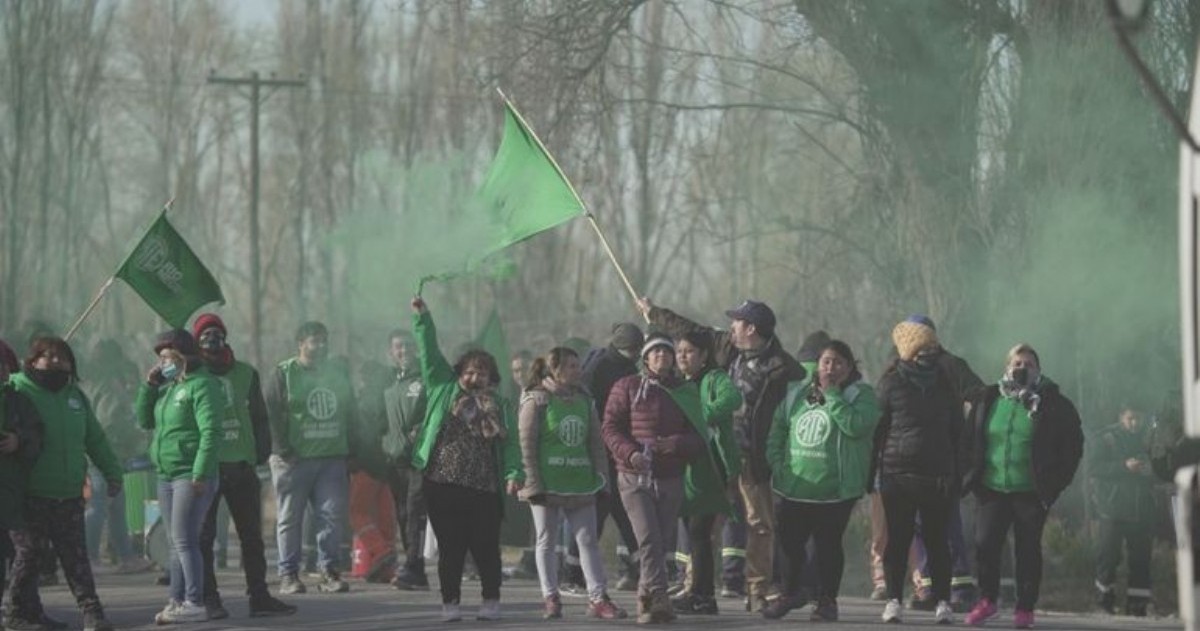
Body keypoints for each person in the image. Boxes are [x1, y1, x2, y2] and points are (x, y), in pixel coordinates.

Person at [638, 298, 805, 612]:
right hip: (717, 455)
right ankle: (695, 589)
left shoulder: (782, 368)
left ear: (752, 328)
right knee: (702, 524)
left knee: (758, 524)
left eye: (737, 322)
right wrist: (654, 313)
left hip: (754, 458)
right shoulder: (726, 348)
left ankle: (756, 591)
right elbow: (691, 330)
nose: (731, 326)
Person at [409, 297, 521, 622]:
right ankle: (450, 604)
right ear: (460, 371)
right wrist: (422, 318)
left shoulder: (499, 405)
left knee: (485, 546)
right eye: (471, 371)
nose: (476, 377)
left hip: (484, 488)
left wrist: (514, 473)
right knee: (451, 548)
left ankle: (490, 600)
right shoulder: (443, 388)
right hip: (442, 485)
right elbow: (429, 351)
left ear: (492, 377)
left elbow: (510, 445)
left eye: (483, 372)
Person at [961, 344, 1084, 629]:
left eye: (1029, 363)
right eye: (1017, 362)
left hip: (1031, 492)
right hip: (991, 488)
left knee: (1027, 550)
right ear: (1007, 366)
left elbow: (1073, 447)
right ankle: (987, 600)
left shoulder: (1054, 403)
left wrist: (1054, 485)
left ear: (1038, 369)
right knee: (985, 544)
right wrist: (970, 475)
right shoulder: (988, 398)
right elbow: (968, 439)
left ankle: (1024, 608)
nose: (1022, 368)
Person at [759, 340, 878, 621]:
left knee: (827, 546)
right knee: (788, 543)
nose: (831, 367)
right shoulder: (797, 394)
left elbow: (856, 426)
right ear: (817, 365)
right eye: (826, 361)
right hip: (795, 486)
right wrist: (777, 464)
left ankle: (826, 601)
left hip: (835, 491)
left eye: (838, 362)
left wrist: (833, 395)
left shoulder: (860, 395)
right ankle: (790, 592)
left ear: (850, 368)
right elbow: (777, 430)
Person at [7, 336, 120, 631]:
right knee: (30, 556)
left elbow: (94, 438)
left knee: (76, 560)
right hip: (30, 493)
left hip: (69, 494)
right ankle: (17, 611)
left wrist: (112, 472)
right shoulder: (17, 389)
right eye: (49, 356)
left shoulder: (76, 397)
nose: (57, 361)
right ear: (32, 361)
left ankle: (92, 614)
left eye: (63, 357)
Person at [191, 314, 296, 618]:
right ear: (197, 341)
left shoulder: (246, 373)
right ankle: (209, 598)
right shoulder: (192, 374)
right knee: (204, 538)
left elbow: (260, 417)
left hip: (241, 467)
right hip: (206, 468)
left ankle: (259, 597)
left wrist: (260, 453)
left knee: (251, 538)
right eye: (205, 334)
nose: (212, 339)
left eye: (217, 333)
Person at [602, 332, 707, 624]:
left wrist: (676, 444)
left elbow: (699, 436)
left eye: (667, 352)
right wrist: (631, 453)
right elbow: (609, 428)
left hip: (670, 476)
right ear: (645, 357)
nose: (662, 356)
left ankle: (644, 601)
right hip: (633, 476)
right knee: (648, 539)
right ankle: (660, 598)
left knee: (660, 542)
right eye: (655, 352)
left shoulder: (685, 392)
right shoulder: (627, 386)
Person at [517, 346, 627, 620]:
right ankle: (551, 598)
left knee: (588, 540)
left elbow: (596, 445)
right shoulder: (537, 400)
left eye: (578, 366)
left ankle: (598, 599)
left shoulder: (585, 400)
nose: (578, 371)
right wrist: (532, 483)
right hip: (546, 484)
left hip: (581, 482)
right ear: (555, 370)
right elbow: (526, 444)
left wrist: (602, 480)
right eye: (571, 367)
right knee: (546, 540)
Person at [871, 319, 960, 625]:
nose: (930, 353)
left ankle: (943, 601)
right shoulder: (890, 383)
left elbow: (957, 434)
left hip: (937, 476)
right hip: (897, 475)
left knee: (938, 541)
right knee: (898, 539)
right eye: (923, 347)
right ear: (909, 351)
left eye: (933, 347)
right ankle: (894, 599)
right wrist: (871, 475)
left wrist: (957, 474)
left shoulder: (946, 383)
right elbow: (877, 431)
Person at [136, 330, 222, 624]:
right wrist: (149, 386)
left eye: (167, 357)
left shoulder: (203, 384)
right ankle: (176, 600)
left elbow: (210, 432)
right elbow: (144, 419)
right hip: (166, 475)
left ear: (183, 356)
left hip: (191, 474)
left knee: (185, 540)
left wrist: (200, 472)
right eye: (159, 358)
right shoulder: (169, 388)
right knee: (174, 541)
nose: (162, 363)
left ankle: (195, 601)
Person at [266, 321, 358, 595]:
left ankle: (329, 571)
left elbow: (351, 410)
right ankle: (289, 575)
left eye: (324, 340)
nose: (321, 345)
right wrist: (284, 450)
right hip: (293, 461)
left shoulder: (338, 372)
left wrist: (351, 450)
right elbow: (271, 413)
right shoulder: (284, 373)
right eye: (314, 340)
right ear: (300, 344)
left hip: (331, 459)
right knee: (289, 519)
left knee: (330, 517)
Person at [564, 323, 646, 594]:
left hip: (620, 452)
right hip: (600, 453)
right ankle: (574, 574)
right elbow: (591, 412)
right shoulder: (599, 368)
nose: (636, 354)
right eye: (634, 349)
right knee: (595, 515)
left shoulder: (628, 368)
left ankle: (639, 569)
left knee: (627, 513)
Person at [669, 331, 742, 615]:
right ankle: (697, 592)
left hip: (713, 466)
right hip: (686, 468)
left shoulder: (715, 379)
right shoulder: (677, 384)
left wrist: (699, 413)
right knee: (692, 532)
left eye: (689, 351)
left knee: (700, 531)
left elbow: (733, 400)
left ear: (703, 356)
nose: (682, 356)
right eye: (679, 352)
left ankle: (704, 596)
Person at [80, 339, 152, 575]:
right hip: (105, 455)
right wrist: (133, 436)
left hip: (103, 453)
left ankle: (125, 556)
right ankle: (89, 557)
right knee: (99, 505)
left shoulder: (90, 383)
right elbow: (110, 423)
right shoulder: (108, 387)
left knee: (115, 505)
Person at [378, 329, 430, 591]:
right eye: (398, 346)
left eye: (409, 345)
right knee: (401, 513)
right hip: (395, 460)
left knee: (415, 512)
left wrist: (416, 434)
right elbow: (380, 419)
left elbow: (433, 413)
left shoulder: (425, 378)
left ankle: (414, 565)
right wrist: (385, 443)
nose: (404, 350)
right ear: (391, 351)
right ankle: (415, 569)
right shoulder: (389, 383)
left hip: (419, 460)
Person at [1091, 407, 1157, 616]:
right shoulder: (1106, 438)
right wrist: (1123, 466)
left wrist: (1151, 471)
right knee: (1108, 558)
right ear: (1121, 417)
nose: (1134, 423)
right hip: (1112, 509)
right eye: (1130, 419)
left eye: (1138, 418)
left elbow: (1166, 467)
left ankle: (1138, 606)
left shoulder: (1151, 439)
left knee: (1140, 559)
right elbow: (1093, 468)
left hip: (1141, 510)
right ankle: (1104, 602)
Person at [0, 340, 44, 622]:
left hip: (16, 495)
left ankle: (22, 610)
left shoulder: (19, 402)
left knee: (26, 551)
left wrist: (20, 441)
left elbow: (38, 436)